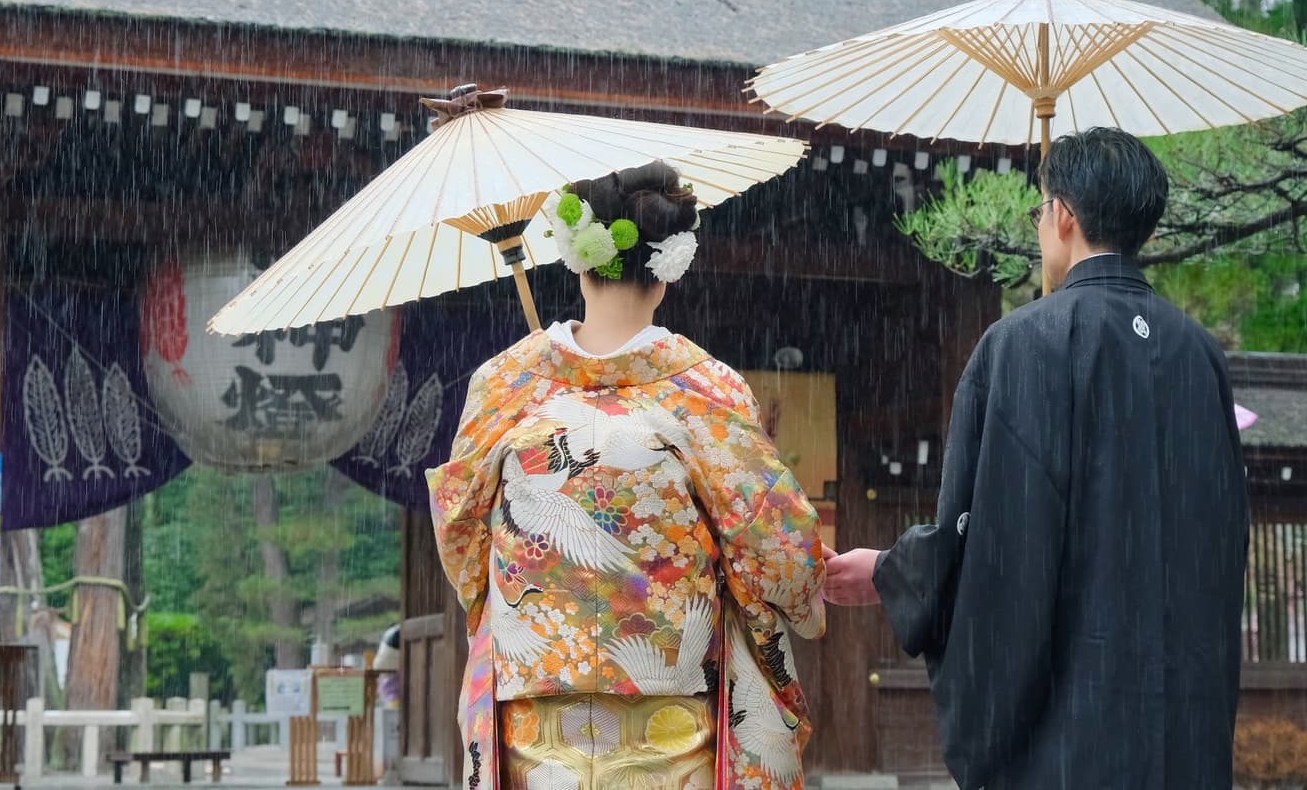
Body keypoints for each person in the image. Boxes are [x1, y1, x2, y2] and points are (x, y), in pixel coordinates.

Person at [823, 126, 1249, 789]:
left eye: (1041, 207)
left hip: (1070, 735)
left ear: (1065, 216)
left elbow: (993, 540)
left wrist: (891, 571)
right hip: (1182, 729)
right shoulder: (1199, 354)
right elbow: (1221, 540)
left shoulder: (1020, 345)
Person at [427, 162, 828, 790]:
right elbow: (777, 552)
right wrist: (791, 593)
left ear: (578, 263)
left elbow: (461, 538)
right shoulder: (704, 391)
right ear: (667, 271)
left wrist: (527, 595)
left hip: (532, 716)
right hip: (671, 721)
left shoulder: (506, 384)